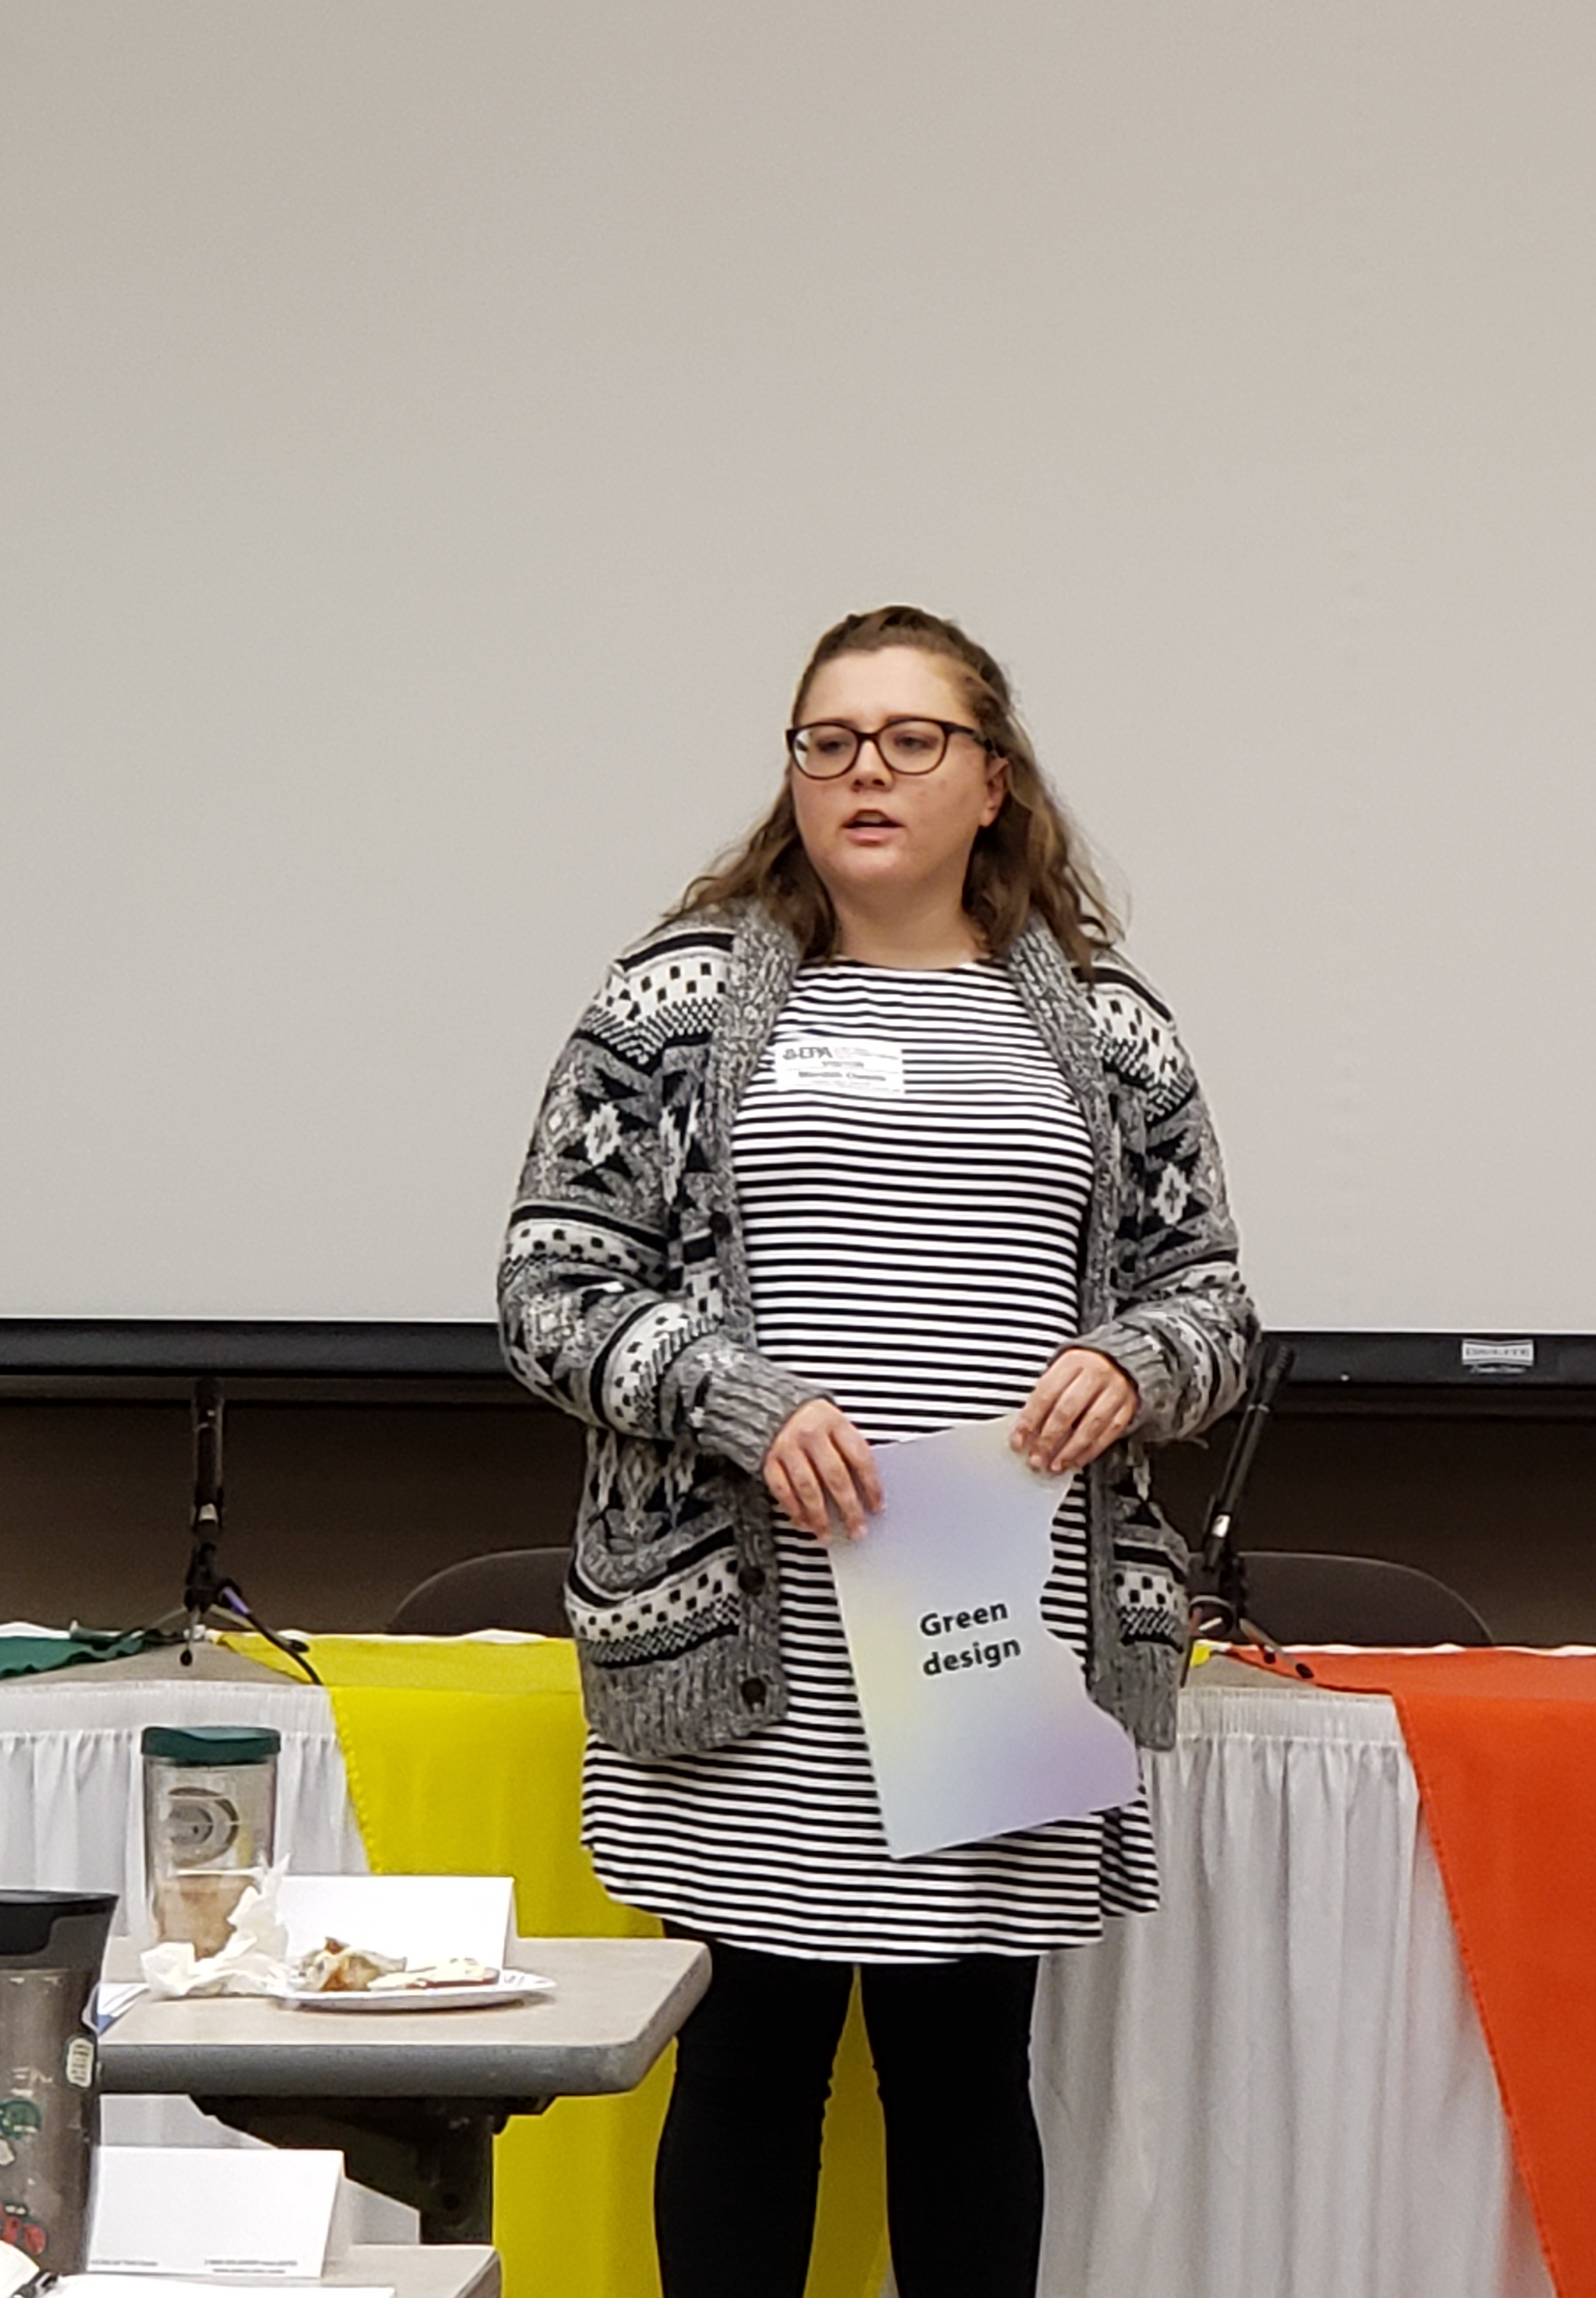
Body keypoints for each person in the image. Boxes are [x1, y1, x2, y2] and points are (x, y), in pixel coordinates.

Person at [498, 605, 1256, 2298]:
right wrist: (737, 1397)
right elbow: (549, 1287)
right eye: (829, 742)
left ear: (994, 783)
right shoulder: (675, 1005)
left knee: (966, 2078)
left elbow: (1212, 1304)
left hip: (996, 1634)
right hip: (748, 1647)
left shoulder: (1107, 1031)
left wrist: (1135, 1363)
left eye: (914, 741)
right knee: (746, 2073)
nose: (867, 772)